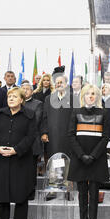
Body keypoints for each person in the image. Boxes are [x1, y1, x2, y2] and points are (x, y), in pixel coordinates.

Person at [0, 88, 38, 219]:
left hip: (21, 161)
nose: (11, 98)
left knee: (20, 196)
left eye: (15, 96)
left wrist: (16, 150)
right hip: (1, 160)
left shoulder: (29, 115)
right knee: (2, 196)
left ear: (22, 100)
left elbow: (30, 137)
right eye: (9, 96)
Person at [67, 84, 109, 219]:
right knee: (82, 195)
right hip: (80, 159)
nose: (90, 96)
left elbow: (105, 137)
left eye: (93, 94)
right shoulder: (76, 112)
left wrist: (93, 156)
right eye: (87, 94)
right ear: (82, 95)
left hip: (96, 159)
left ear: (97, 96)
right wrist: (82, 155)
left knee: (94, 196)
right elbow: (71, 135)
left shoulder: (103, 112)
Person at [40, 69, 73, 200]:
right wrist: (44, 132)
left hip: (67, 137)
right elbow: (44, 117)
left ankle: (67, 190)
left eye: (62, 82)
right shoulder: (49, 98)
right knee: (54, 162)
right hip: (52, 137)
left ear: (66, 84)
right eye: (57, 82)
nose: (59, 84)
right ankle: (53, 190)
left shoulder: (73, 98)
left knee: (67, 163)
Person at [21, 81, 43, 197]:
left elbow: (36, 120)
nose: (25, 91)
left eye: (28, 89)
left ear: (32, 91)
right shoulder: (16, 103)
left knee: (30, 169)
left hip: (32, 143)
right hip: (17, 142)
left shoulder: (38, 104)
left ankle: (30, 192)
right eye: (23, 88)